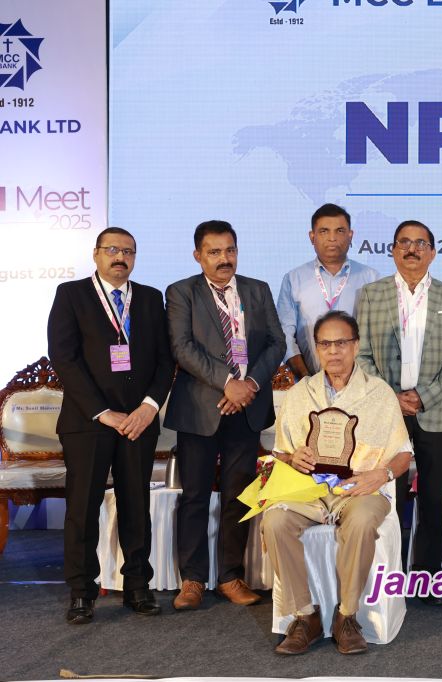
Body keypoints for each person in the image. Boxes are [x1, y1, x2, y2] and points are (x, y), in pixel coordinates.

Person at [263, 311, 413, 655]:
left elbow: (403, 453)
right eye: (325, 344)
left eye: (341, 343)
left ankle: (346, 616)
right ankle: (306, 616)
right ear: (316, 348)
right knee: (274, 520)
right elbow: (280, 452)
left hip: (361, 488)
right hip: (310, 491)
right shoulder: (301, 393)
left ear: (356, 345)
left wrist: (382, 474)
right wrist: (293, 458)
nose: (333, 351)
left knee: (361, 520)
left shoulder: (379, 393)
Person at [47, 227, 175, 624]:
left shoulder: (150, 298)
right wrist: (104, 413)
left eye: (128, 251)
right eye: (113, 250)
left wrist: (149, 407)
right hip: (89, 422)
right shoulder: (72, 294)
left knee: (136, 505)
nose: (121, 257)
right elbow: (64, 358)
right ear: (96, 254)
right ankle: (81, 592)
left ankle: (137, 585)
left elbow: (165, 360)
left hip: (139, 421)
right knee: (82, 508)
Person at [164, 220, 287, 610]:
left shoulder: (257, 289)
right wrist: (227, 384)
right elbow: (182, 347)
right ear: (198, 255)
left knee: (239, 496)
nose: (224, 259)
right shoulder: (181, 292)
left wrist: (248, 385)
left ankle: (231, 577)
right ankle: (192, 579)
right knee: (195, 497)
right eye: (214, 252)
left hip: (247, 407)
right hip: (201, 408)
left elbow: (277, 342)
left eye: (229, 250)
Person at [355, 220, 442, 601]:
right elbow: (362, 356)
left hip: (435, 411)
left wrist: (424, 395)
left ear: (433, 252)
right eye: (404, 242)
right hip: (387, 413)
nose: (412, 249)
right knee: (390, 498)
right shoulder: (372, 295)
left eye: (420, 243)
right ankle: (391, 578)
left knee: (433, 500)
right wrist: (393, 397)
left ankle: (429, 579)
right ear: (392, 250)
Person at [277, 204, 380, 378]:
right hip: (309, 381)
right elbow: (284, 334)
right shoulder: (293, 279)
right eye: (324, 231)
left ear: (350, 236)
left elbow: (377, 336)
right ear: (312, 237)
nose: (332, 238)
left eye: (339, 231)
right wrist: (307, 379)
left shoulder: (371, 278)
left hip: (360, 382)